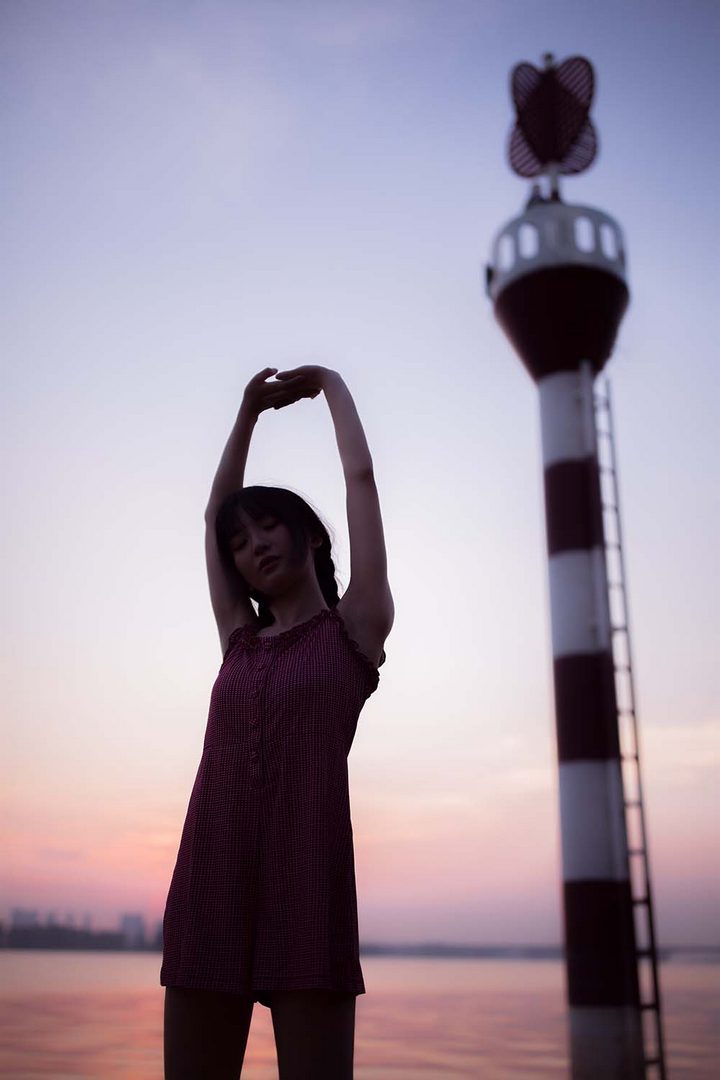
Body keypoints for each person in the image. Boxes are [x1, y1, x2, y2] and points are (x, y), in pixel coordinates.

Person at [161, 365, 394, 1079]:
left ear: (312, 538)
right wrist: (247, 413)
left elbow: (360, 480)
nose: (254, 545)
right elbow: (213, 514)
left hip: (309, 881)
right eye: (241, 542)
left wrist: (329, 382)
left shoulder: (355, 627)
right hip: (212, 878)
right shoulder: (237, 637)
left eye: (268, 527)